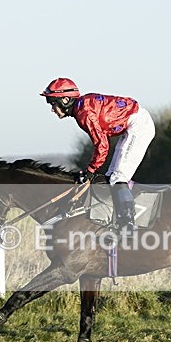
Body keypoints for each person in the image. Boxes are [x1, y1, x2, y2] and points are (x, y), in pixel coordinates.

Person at [40, 77, 155, 232]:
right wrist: (92, 169)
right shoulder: (82, 108)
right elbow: (103, 142)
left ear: (65, 100)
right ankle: (116, 219)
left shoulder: (84, 113)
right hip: (133, 124)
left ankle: (128, 224)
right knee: (110, 176)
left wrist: (91, 170)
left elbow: (102, 145)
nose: (52, 109)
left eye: (53, 103)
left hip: (138, 125)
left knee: (118, 177)